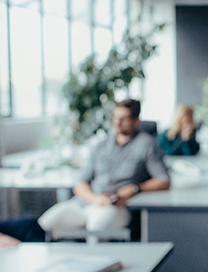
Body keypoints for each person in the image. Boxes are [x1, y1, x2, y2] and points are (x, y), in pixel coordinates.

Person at [38, 99, 170, 234]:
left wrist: (136, 188)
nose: (117, 123)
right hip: (87, 201)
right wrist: (96, 199)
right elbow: (80, 184)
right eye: (115, 117)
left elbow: (163, 180)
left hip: (116, 206)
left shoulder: (147, 144)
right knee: (46, 223)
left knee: (96, 228)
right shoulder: (100, 145)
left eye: (123, 119)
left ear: (136, 121)